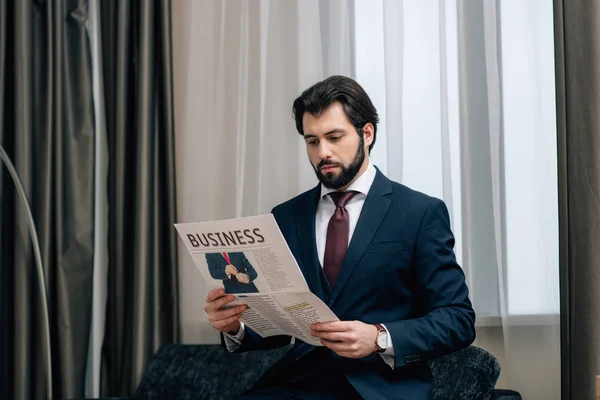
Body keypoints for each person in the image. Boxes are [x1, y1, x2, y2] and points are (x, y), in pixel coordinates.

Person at [203, 75, 475, 399]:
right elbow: (281, 325)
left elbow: (458, 320)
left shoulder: (419, 213)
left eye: (334, 137)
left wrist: (378, 337)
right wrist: (234, 326)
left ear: (367, 133)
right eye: (312, 141)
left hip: (380, 388)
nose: (323, 152)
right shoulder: (285, 216)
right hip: (296, 385)